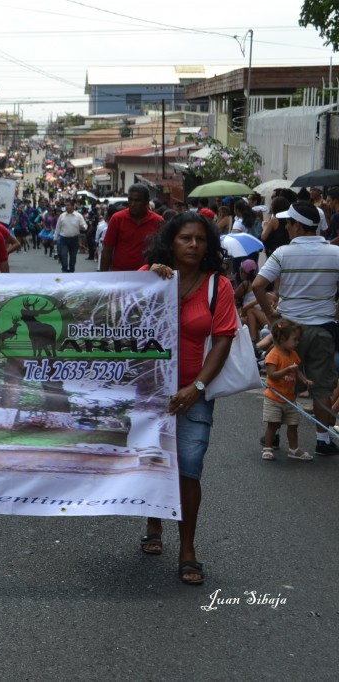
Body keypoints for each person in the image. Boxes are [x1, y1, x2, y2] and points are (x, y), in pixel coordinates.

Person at [140, 211, 236, 586]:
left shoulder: (218, 286)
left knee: (189, 468)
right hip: (149, 390)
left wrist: (197, 387)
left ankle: (187, 548)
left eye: (200, 239)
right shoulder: (149, 275)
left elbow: (224, 339)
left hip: (195, 392)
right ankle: (153, 522)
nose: (194, 245)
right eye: (185, 238)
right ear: (171, 242)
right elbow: (123, 316)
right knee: (152, 460)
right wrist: (149, 280)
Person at [252, 201, 339, 456]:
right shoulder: (336, 253)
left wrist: (271, 318)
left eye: (288, 223)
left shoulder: (283, 253)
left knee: (283, 382)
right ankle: (323, 440)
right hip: (324, 329)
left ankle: (274, 434)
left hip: (288, 330)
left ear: (298, 226)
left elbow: (258, 285)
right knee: (322, 387)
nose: (286, 227)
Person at [261, 319, 314, 461]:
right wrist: (287, 370)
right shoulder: (273, 354)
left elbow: (297, 371)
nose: (297, 343)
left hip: (289, 398)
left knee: (293, 424)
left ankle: (293, 449)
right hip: (274, 398)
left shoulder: (293, 354)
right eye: (294, 340)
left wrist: (304, 380)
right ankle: (268, 448)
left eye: (298, 340)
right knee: (273, 424)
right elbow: (272, 375)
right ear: (282, 339)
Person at [100, 183, 163, 272]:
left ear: (147, 202)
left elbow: (163, 250)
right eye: (130, 200)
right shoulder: (117, 218)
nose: (133, 204)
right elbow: (107, 249)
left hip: (147, 274)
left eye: (137, 200)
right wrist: (103, 275)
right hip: (120, 274)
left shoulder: (158, 221)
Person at [54, 199, 86, 273]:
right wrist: (55, 238)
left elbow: (85, 225)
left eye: (68, 205)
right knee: (63, 256)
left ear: (73, 206)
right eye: (66, 205)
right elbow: (58, 228)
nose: (66, 207)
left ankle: (71, 271)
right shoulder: (62, 216)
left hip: (74, 240)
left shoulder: (78, 216)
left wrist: (83, 227)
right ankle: (64, 270)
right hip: (63, 239)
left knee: (73, 257)